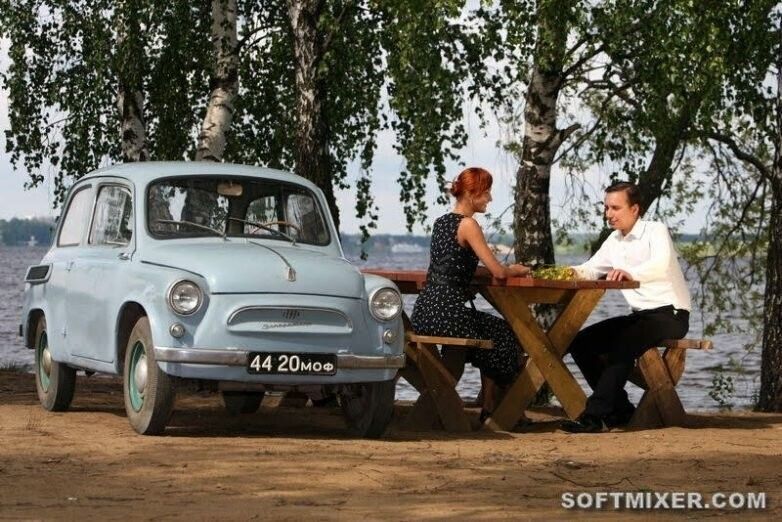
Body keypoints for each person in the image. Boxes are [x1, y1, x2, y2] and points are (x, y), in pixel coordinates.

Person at [562, 181, 691, 433]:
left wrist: (630, 272)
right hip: (640, 317)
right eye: (606, 208)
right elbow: (591, 269)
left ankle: (594, 417)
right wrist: (563, 273)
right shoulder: (614, 240)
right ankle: (619, 410)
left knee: (624, 344)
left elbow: (661, 264)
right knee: (580, 343)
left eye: (615, 208)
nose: (608, 214)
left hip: (671, 315)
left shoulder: (655, 231)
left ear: (634, 209)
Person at [411, 167, 531, 419]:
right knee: (503, 332)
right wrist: (517, 270)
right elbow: (498, 271)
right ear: (471, 193)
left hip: (424, 311)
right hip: (447, 314)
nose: (490, 198)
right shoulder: (469, 225)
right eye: (486, 192)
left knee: (487, 332)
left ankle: (487, 405)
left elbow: (452, 264)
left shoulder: (441, 222)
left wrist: (482, 271)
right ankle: (493, 406)